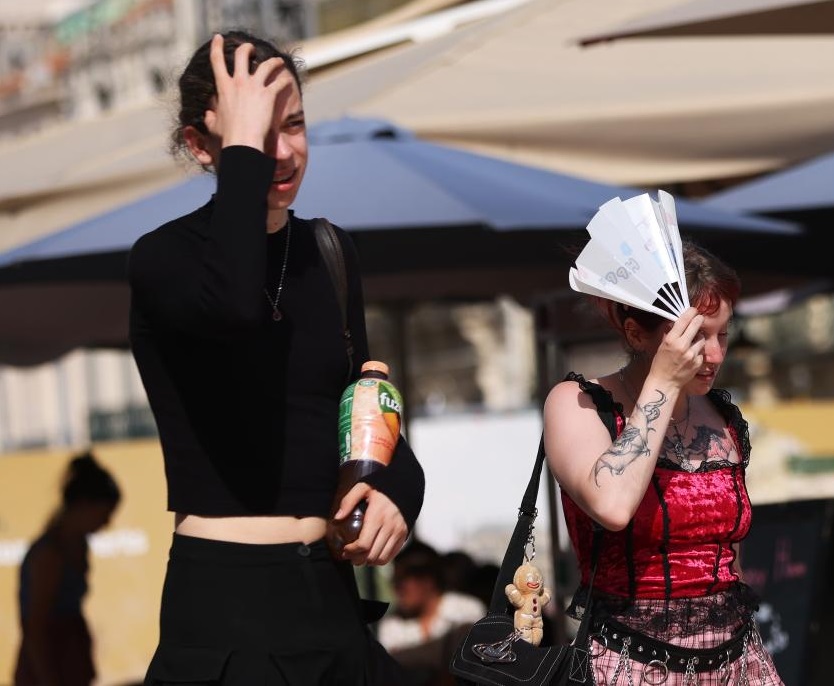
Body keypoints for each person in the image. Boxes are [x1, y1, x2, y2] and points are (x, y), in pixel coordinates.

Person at [127, 29, 424, 685]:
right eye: (260, 134)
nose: (285, 153)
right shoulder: (163, 258)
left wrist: (398, 492)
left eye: (294, 125)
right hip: (227, 606)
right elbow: (234, 309)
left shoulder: (329, 250)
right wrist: (241, 155)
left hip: (329, 595)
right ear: (201, 145)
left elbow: (361, 408)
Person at [543, 240, 784, 685]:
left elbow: (730, 555)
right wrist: (663, 383)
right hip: (633, 663)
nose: (715, 355)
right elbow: (613, 506)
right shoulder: (577, 403)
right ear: (637, 334)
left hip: (738, 660)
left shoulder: (721, 414)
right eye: (695, 336)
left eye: (723, 334)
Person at [14, 451, 121, 686]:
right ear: (83, 504)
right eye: (104, 514)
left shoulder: (77, 546)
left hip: (70, 661)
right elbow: (35, 629)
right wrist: (49, 679)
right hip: (48, 667)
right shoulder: (49, 555)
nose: (106, 523)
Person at [377, 539, 485, 685]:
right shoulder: (391, 624)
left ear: (428, 580)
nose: (397, 588)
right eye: (395, 580)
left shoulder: (466, 610)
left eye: (402, 580)